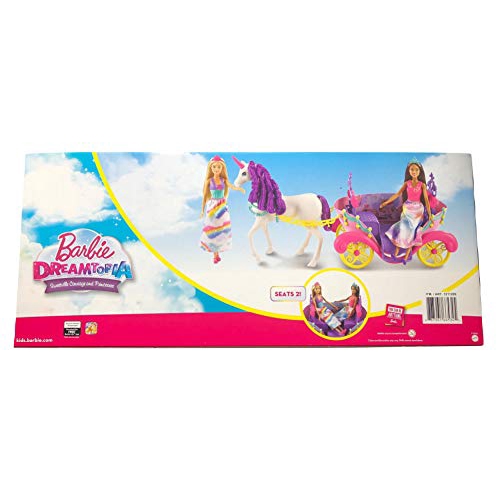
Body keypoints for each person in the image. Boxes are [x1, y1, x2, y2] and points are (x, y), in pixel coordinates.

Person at [380, 161, 432, 261]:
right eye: (412, 169)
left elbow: (426, 200)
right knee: (403, 228)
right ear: (409, 171)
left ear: (420, 172)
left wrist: (429, 213)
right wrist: (386, 203)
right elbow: (397, 194)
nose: (414, 172)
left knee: (412, 231)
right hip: (407, 207)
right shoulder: (407, 184)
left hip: (417, 210)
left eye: (416, 170)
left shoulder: (422, 185)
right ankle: (396, 253)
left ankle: (407, 255)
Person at [200, 156, 244, 264]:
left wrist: (239, 188)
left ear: (222, 168)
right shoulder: (209, 181)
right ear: (211, 168)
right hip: (212, 206)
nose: (216, 169)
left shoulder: (223, 180)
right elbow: (205, 196)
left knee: (222, 229)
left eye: (219, 167)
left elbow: (232, 186)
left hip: (222, 206)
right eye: (214, 167)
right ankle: (215, 254)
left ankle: (217, 252)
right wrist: (202, 210)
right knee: (212, 228)